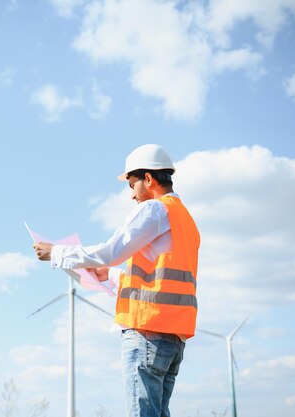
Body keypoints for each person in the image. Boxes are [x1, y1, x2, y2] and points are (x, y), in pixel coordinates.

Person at [33, 144, 200, 417]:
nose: (132, 195)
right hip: (174, 337)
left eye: (132, 185)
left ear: (148, 179)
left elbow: (112, 251)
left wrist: (57, 253)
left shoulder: (154, 210)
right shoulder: (185, 219)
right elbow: (159, 276)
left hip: (147, 332)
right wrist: (109, 275)